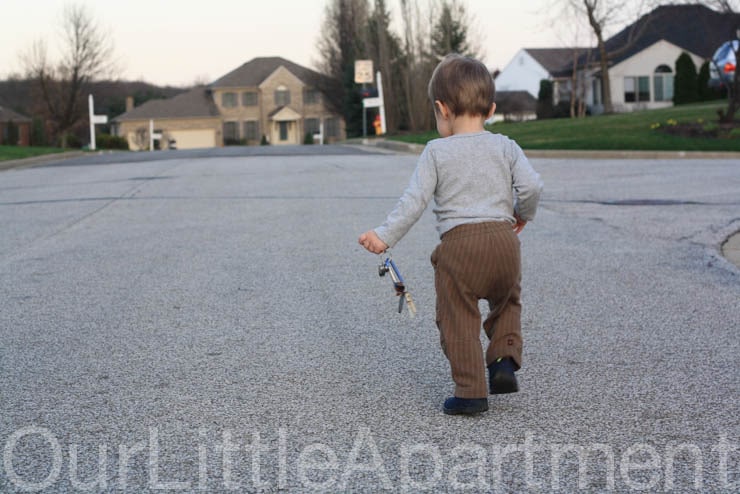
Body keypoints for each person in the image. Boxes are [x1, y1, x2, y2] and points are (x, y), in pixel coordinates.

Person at [358, 54, 543, 415]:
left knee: (457, 314)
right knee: (507, 302)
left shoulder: (436, 152)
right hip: (506, 242)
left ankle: (471, 391)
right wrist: (523, 214)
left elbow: (414, 202)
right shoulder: (505, 145)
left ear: (442, 109)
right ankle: (504, 360)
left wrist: (384, 236)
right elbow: (532, 186)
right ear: (490, 109)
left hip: (459, 248)